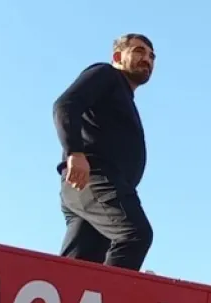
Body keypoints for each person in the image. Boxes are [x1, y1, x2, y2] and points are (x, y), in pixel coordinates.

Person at [53, 33, 156, 271]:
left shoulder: (123, 97)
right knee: (135, 234)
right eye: (139, 51)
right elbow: (65, 105)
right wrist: (75, 152)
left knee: (81, 267)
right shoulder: (106, 75)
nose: (147, 59)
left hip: (98, 190)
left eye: (152, 56)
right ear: (118, 56)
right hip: (95, 179)